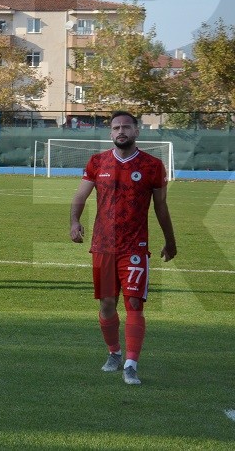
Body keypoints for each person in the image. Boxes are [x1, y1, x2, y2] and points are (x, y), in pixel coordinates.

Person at [70, 110, 177, 386]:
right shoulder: (97, 162)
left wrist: (170, 240)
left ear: (136, 131)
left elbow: (161, 207)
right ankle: (114, 354)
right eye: (116, 127)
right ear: (111, 133)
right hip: (103, 246)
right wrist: (74, 222)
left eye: (126, 127)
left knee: (133, 304)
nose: (121, 131)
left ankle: (131, 363)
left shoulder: (153, 166)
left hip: (135, 247)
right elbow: (81, 195)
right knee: (107, 304)